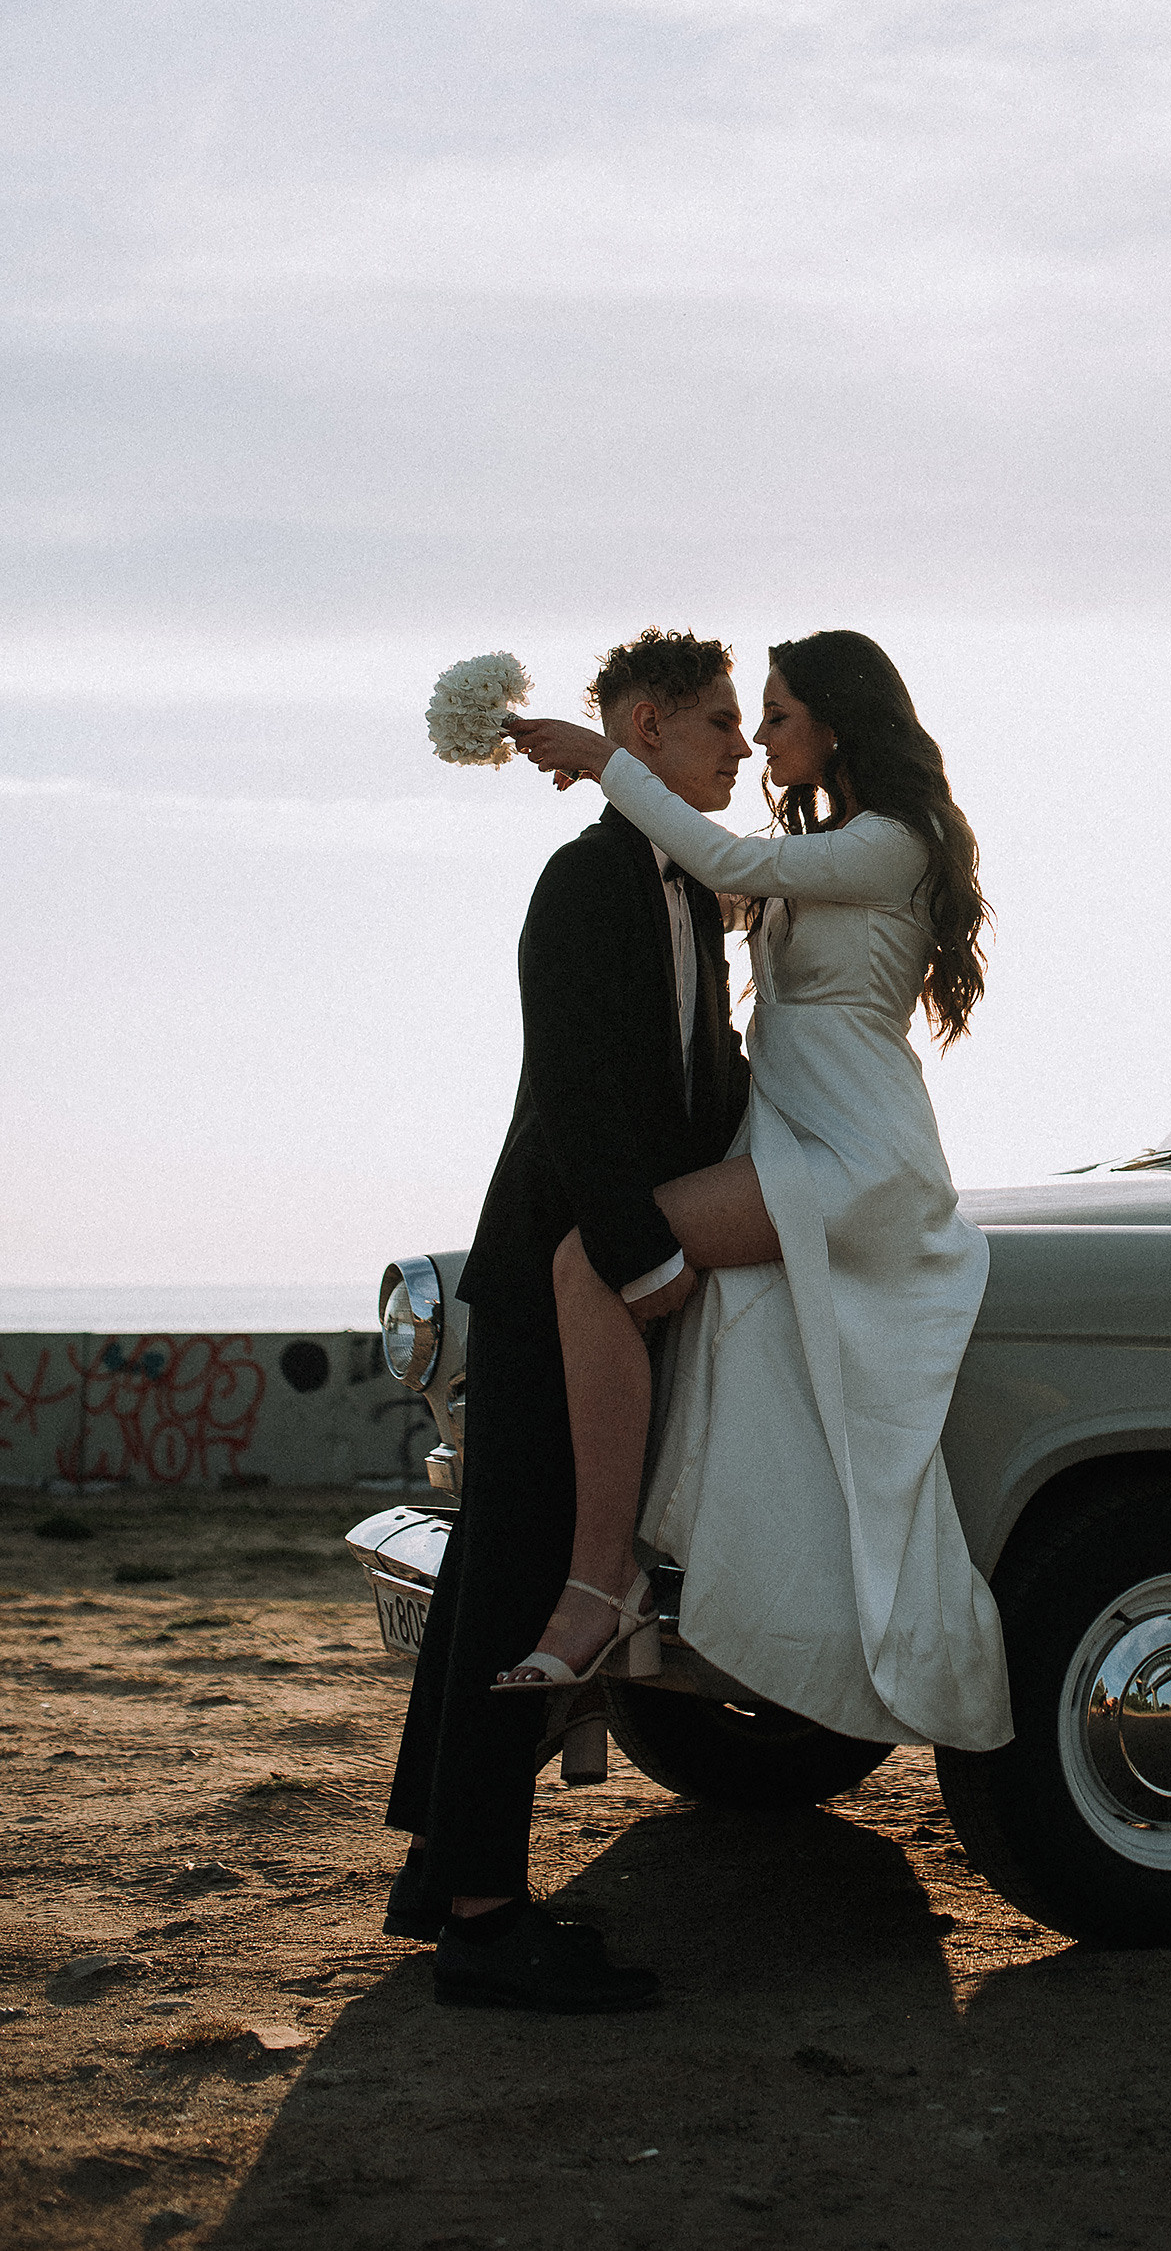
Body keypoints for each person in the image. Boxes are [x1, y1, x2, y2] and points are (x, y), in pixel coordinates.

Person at [504, 629, 1012, 1759]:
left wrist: (605, 759)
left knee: (598, 1261)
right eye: (747, 716)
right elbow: (695, 890)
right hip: (792, 1143)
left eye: (774, 715)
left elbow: (724, 866)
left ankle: (599, 1584)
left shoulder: (891, 842)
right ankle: (623, 1589)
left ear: (832, 724)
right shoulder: (827, 851)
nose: (758, 736)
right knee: (624, 1270)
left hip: (855, 1156)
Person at [383, 628, 751, 2014]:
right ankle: (484, 1921)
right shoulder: (584, 881)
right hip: (559, 1266)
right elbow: (587, 1098)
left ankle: (441, 1881)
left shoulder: (690, 888)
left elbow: (696, 1084)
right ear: (643, 730)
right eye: (717, 720)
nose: (735, 745)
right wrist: (647, 1263)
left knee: (501, 1575)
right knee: (527, 1592)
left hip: (586, 1257)